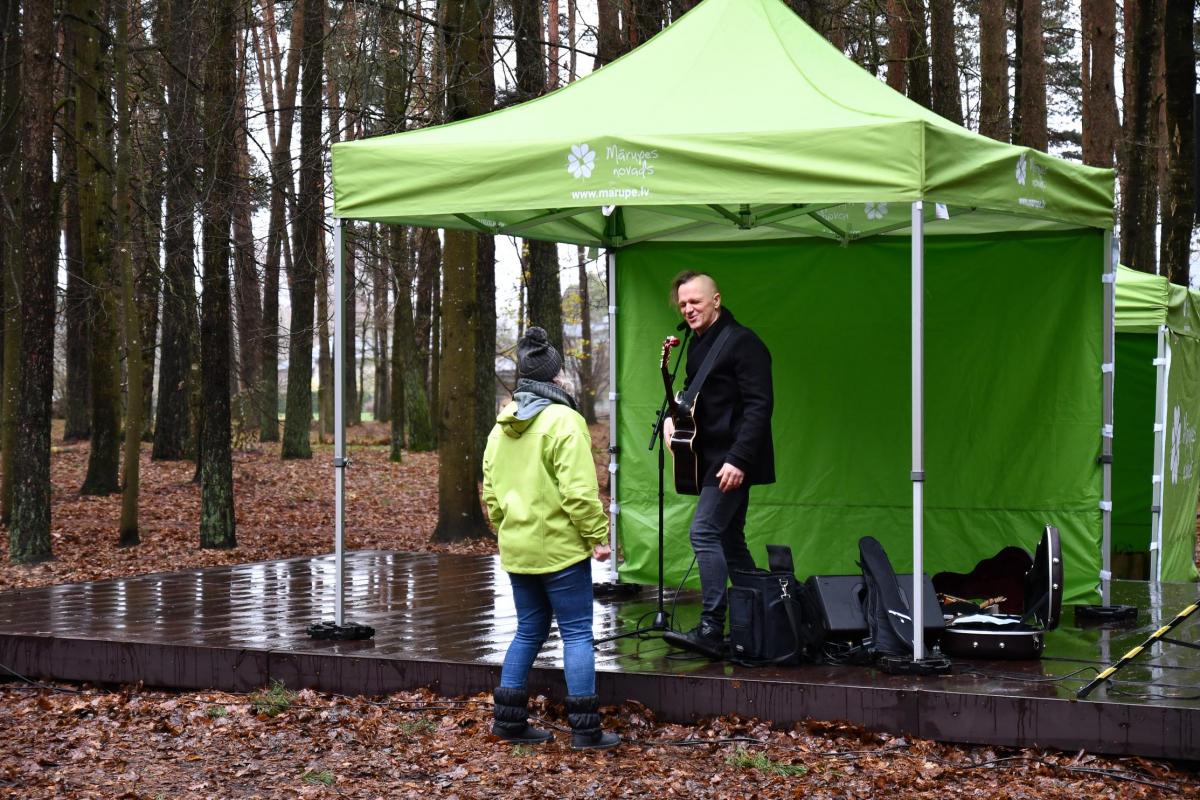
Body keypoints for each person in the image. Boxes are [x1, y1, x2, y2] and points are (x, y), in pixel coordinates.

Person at [482, 326, 620, 751]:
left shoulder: (501, 425)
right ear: (554, 377)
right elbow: (578, 493)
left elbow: (491, 494)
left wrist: (509, 527)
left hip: (518, 549)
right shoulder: (565, 420)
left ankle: (508, 722)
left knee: (528, 630)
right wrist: (598, 536)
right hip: (560, 550)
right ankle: (585, 730)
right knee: (577, 632)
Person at [662, 272, 775, 660]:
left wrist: (740, 459)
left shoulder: (743, 342)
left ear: (716, 301)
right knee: (730, 540)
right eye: (683, 304)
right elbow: (699, 401)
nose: (688, 309)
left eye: (695, 301)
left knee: (704, 532)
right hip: (710, 457)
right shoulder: (698, 346)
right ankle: (760, 621)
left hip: (732, 459)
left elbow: (760, 406)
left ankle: (712, 627)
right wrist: (671, 421)